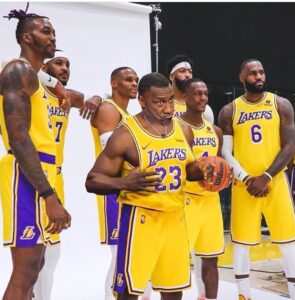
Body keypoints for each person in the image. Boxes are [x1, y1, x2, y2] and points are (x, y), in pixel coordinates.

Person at [85, 72, 211, 300]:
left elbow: (188, 168)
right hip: (140, 220)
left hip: (175, 218)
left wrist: (203, 170)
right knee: (129, 293)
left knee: (174, 292)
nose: (168, 107)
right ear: (142, 101)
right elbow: (93, 179)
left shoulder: (183, 130)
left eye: (170, 100)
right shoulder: (126, 134)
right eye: (159, 102)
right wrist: (123, 182)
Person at [0, 8, 71, 300]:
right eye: (46, 31)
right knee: (27, 269)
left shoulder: (35, 77)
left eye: (53, 32)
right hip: (25, 172)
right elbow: (19, 138)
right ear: (27, 37)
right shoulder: (17, 71)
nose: (52, 37)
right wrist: (48, 195)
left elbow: (60, 88)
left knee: (38, 264)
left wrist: (60, 87)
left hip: (41, 171)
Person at [218, 59, 295, 300]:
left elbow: (290, 145)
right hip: (244, 186)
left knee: (288, 242)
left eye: (261, 71)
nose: (258, 76)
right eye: (252, 73)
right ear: (241, 76)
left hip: (276, 182)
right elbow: (226, 152)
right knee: (241, 245)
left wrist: (266, 176)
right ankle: (244, 296)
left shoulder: (281, 104)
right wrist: (246, 177)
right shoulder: (229, 110)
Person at [33, 50, 101, 300]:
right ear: (44, 66)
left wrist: (95, 97)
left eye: (68, 65)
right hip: (32, 174)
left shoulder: (69, 98)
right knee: (33, 254)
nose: (65, 68)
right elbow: (23, 69)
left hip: (56, 176)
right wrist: (53, 83)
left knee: (52, 253)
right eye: (58, 63)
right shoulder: (29, 87)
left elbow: (99, 100)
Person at [90, 66, 139, 300]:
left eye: (136, 80)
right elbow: (112, 151)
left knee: (127, 255)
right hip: (113, 189)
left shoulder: (125, 113)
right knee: (119, 255)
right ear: (114, 83)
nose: (134, 83)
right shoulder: (109, 109)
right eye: (128, 79)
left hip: (126, 187)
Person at [178, 78, 224, 300]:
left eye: (205, 94)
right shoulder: (176, 128)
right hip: (186, 200)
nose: (202, 98)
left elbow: (219, 163)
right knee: (176, 259)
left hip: (210, 202)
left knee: (211, 258)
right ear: (185, 97)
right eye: (197, 94)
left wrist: (225, 176)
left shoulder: (215, 131)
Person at [167, 54, 214, 123]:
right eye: (182, 71)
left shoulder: (203, 107)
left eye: (190, 72)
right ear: (171, 76)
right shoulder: (165, 105)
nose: (187, 75)